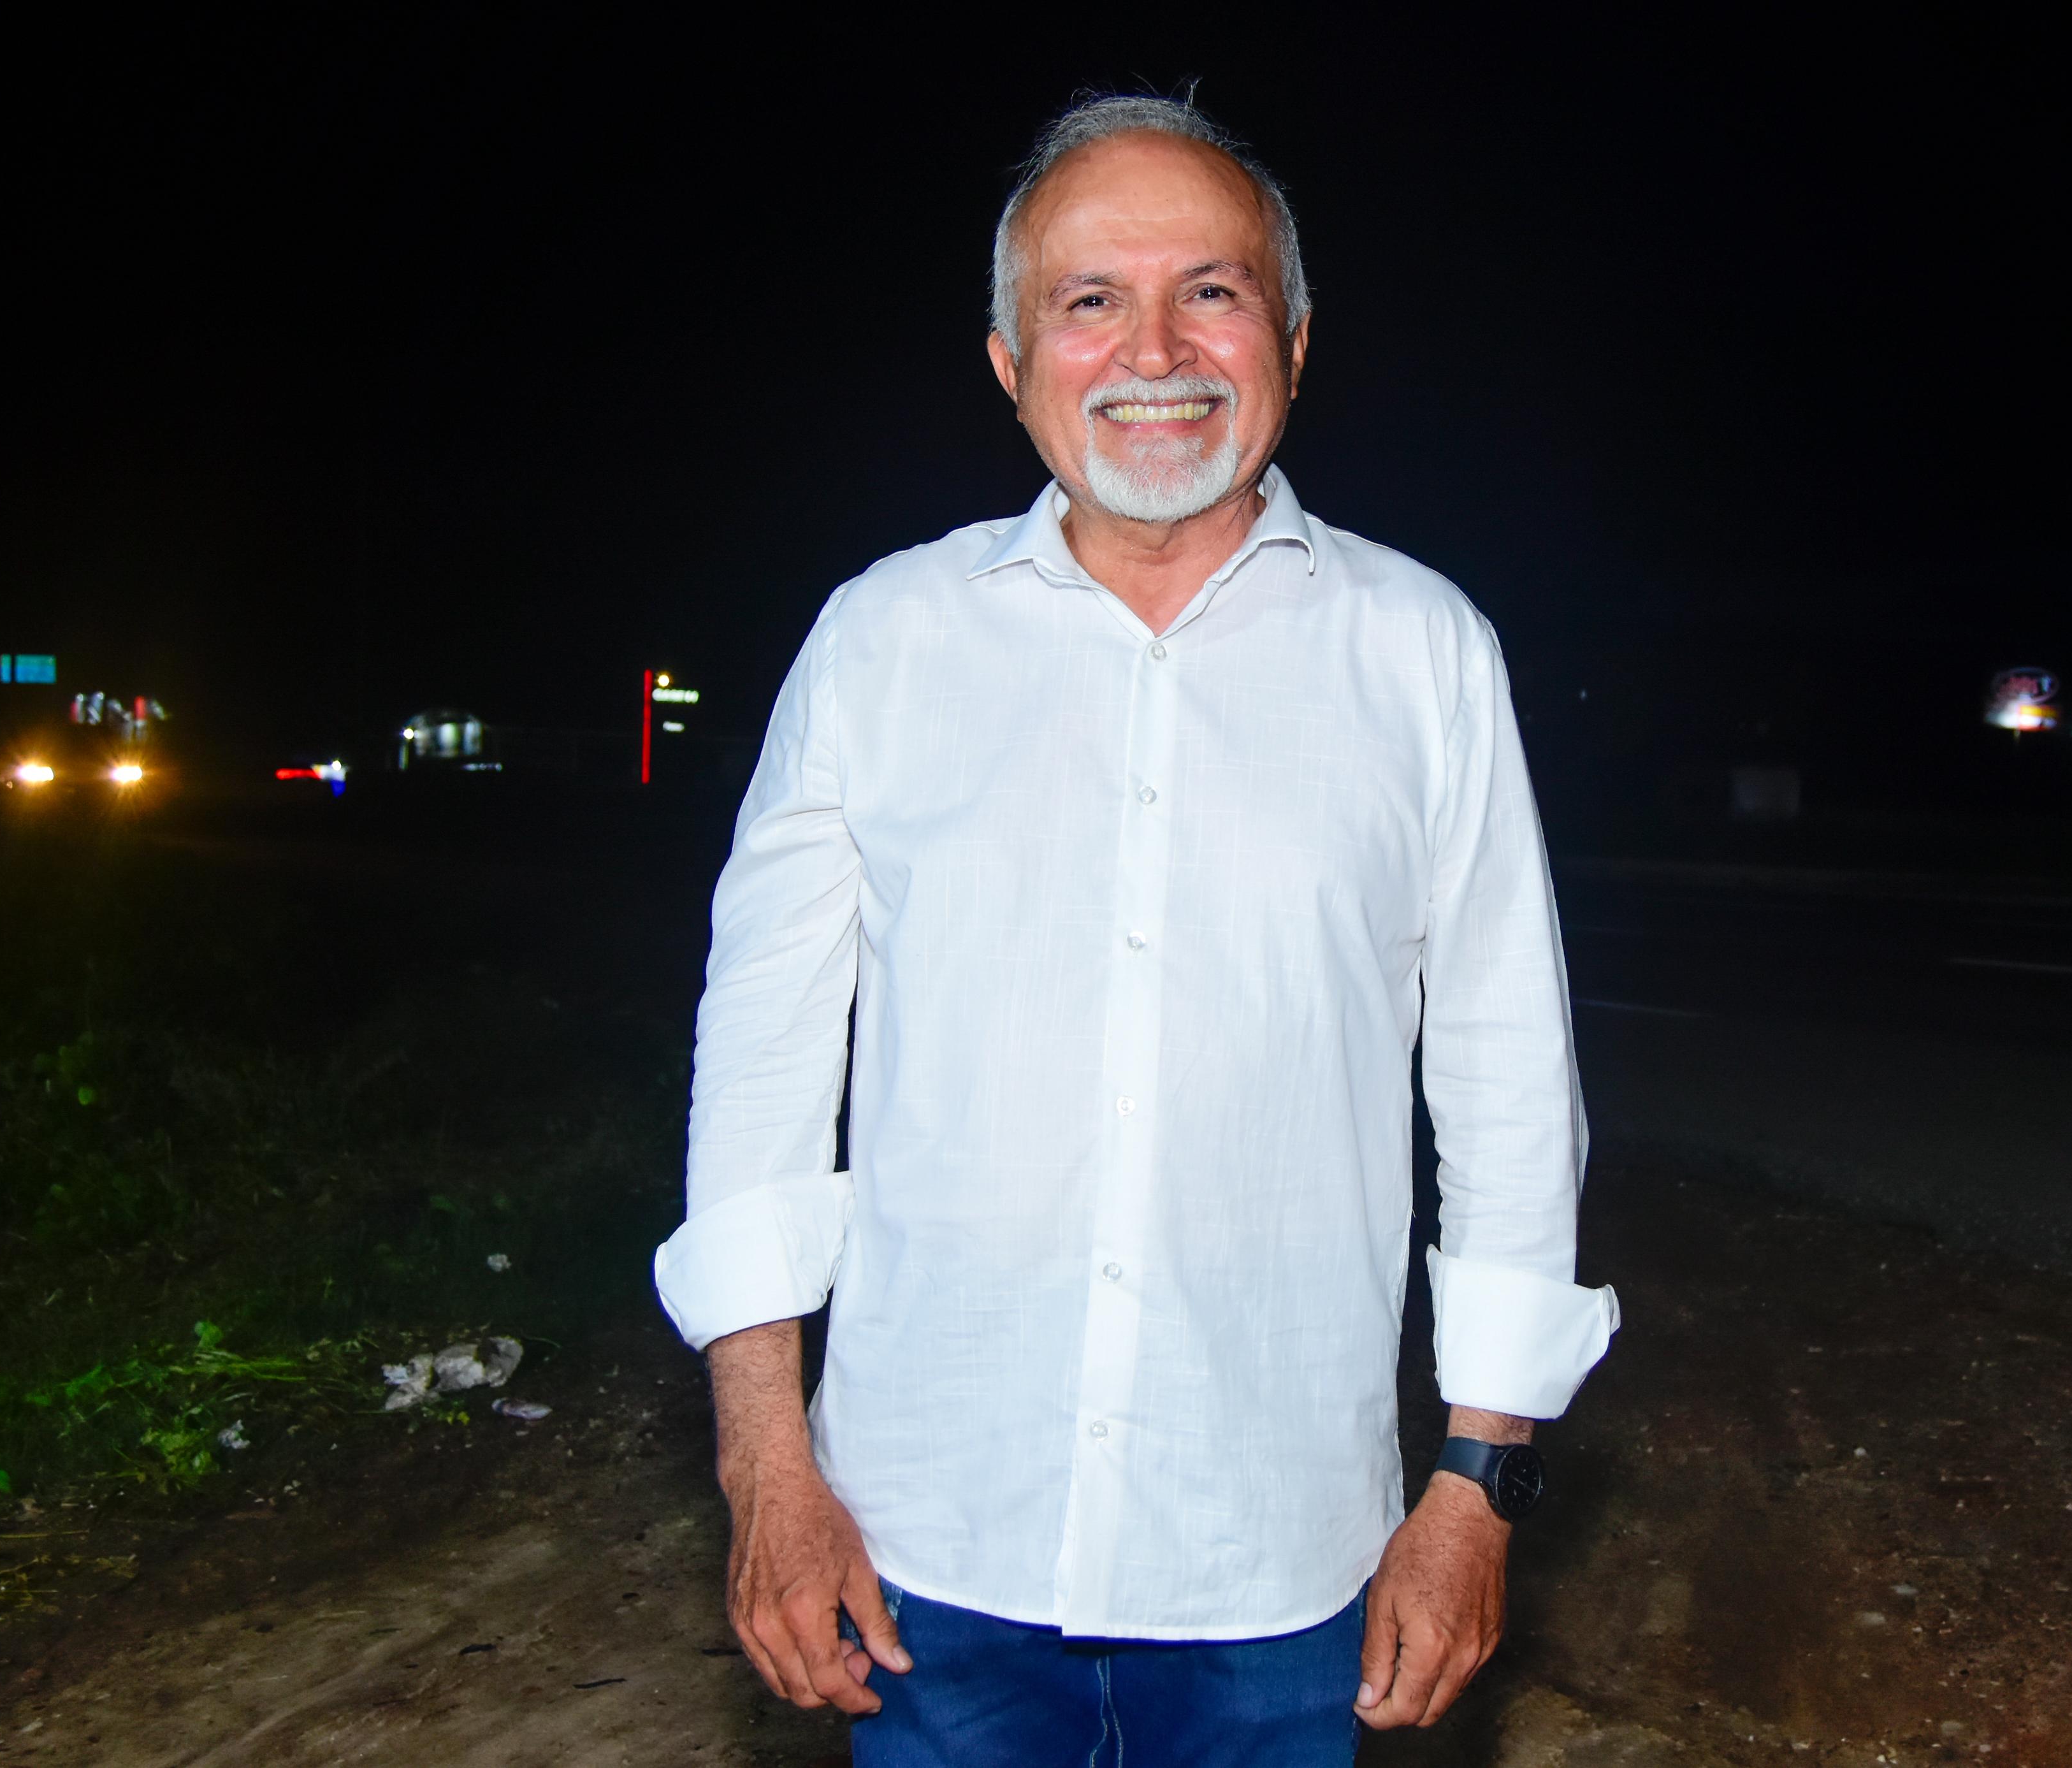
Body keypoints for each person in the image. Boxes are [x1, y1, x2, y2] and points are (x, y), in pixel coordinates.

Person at [653, 92, 1617, 1765]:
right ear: (1010, 360)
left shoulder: (1425, 656)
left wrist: (1478, 1488)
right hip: (921, 1552)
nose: (1154, 350)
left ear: (1293, 343)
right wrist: (766, 1465)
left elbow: (1509, 1088)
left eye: (1211, 292)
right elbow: (761, 1069)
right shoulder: (881, 644)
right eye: (1090, 299)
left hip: (1283, 1573)